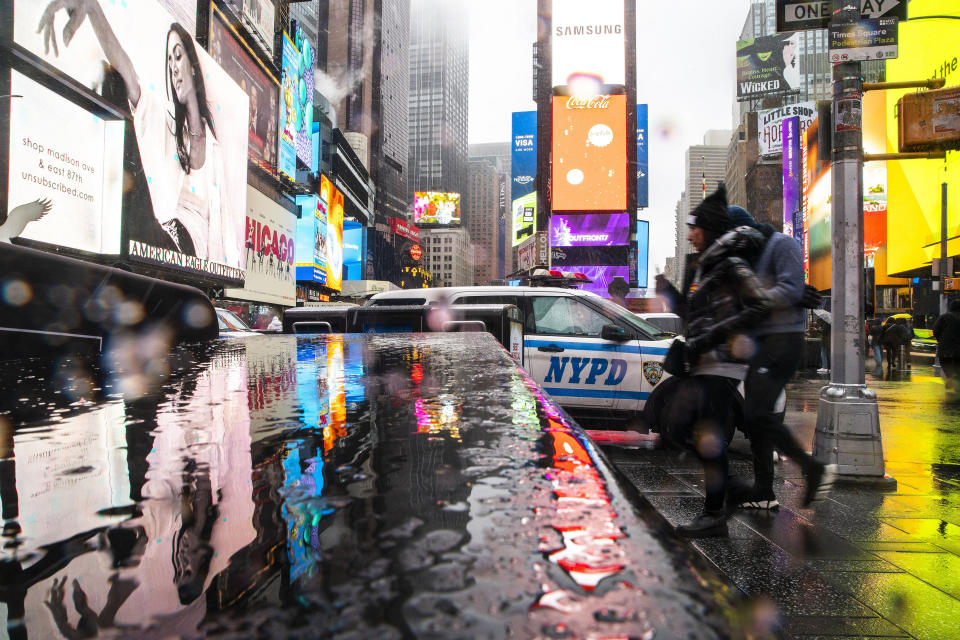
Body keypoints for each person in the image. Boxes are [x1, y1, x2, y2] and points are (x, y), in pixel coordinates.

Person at [38, 0, 237, 264]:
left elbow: (227, 234)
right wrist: (93, 9)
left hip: (188, 250)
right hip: (163, 235)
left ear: (192, 66)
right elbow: (129, 75)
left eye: (178, 56)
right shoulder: (168, 125)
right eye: (169, 61)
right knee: (111, 78)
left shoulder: (216, 150)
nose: (174, 67)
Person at [656, 186, 774, 538]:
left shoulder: (731, 264)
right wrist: (670, 294)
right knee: (676, 426)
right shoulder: (705, 265)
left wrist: (711, 337)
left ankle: (715, 512)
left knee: (697, 432)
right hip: (705, 361)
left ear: (710, 228)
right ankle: (728, 496)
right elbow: (694, 314)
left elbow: (759, 305)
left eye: (696, 227)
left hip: (722, 363)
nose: (691, 233)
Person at [724, 206, 838, 512]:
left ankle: (812, 467)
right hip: (760, 342)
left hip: (782, 340)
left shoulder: (781, 244)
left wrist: (782, 294)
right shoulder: (748, 258)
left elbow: (787, 288)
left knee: (760, 415)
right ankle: (763, 490)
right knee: (754, 418)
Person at [934, 300, 960, 397]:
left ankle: (950, 377)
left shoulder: (945, 317)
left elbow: (936, 330)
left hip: (946, 347)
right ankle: (956, 380)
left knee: (945, 363)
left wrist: (940, 340)